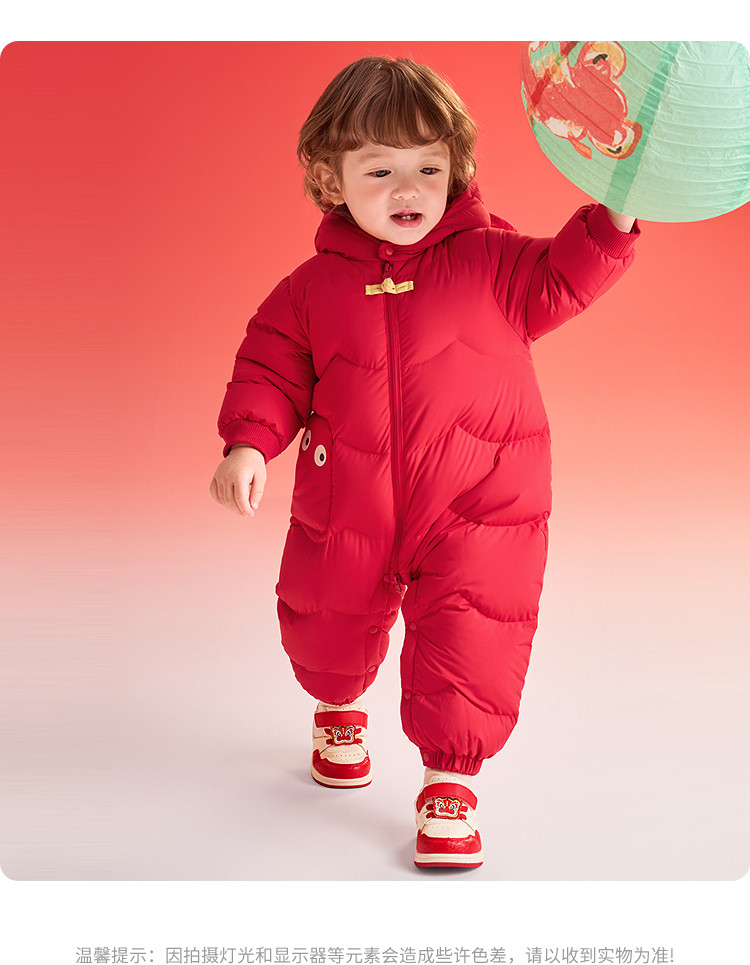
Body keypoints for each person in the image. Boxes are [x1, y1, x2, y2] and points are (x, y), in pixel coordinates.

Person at [209, 55, 639, 869]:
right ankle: (337, 706)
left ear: (456, 171)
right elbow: (269, 367)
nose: (407, 189)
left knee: (472, 637)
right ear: (331, 179)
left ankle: (450, 783)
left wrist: (618, 209)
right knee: (326, 622)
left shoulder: (494, 262)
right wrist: (249, 443)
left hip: (481, 504)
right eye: (380, 170)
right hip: (350, 499)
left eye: (428, 169)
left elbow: (570, 272)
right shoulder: (309, 291)